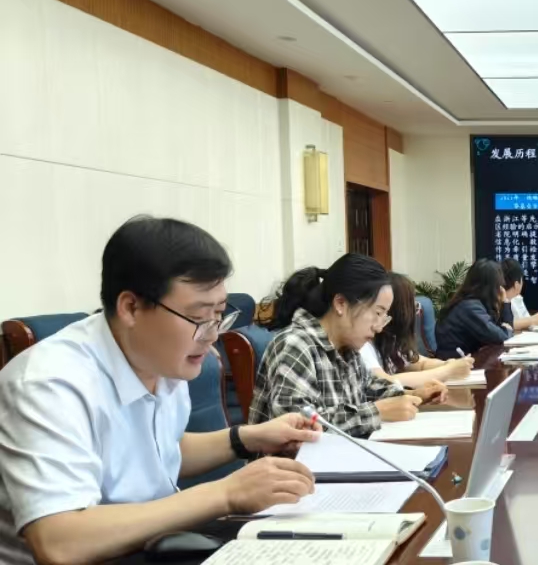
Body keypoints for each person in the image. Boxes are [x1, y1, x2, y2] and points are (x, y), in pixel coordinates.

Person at [0, 216, 319, 564]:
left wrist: (249, 438)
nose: (212, 335)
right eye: (199, 318)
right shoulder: (49, 384)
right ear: (131, 307)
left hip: (150, 548)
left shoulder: (161, 357)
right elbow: (60, 541)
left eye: (219, 314)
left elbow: (160, 450)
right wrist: (227, 493)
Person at [250, 253, 423, 438]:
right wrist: (377, 412)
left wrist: (411, 396)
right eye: (377, 313)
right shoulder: (296, 345)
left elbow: (370, 387)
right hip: (299, 457)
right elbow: (298, 427)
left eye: (384, 317)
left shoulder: (347, 347)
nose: (379, 327)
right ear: (341, 304)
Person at [360, 273, 475, 390]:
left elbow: (419, 363)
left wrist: (448, 364)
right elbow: (385, 383)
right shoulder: (363, 343)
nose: (415, 309)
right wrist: (447, 371)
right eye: (412, 304)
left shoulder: (390, 339)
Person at [434, 259, 515, 359]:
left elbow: (500, 331)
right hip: (454, 363)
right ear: (491, 287)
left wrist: (504, 303)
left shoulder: (473, 302)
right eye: (498, 285)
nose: (500, 289)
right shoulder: (470, 308)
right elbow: (502, 337)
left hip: (465, 360)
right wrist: (505, 304)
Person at [500, 259, 538, 331]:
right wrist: (533, 320)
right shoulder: (498, 301)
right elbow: (506, 325)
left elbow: (526, 320)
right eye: (522, 279)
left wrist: (536, 319)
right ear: (516, 284)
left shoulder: (517, 298)